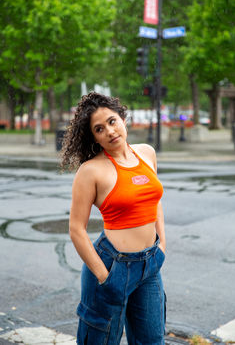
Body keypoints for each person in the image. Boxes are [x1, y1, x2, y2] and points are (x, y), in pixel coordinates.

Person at [61, 92, 166, 345]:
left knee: (152, 341)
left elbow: (154, 201)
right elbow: (76, 228)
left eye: (112, 121)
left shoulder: (146, 153)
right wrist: (102, 275)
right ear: (94, 137)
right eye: (99, 129)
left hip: (150, 264)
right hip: (112, 266)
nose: (109, 131)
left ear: (122, 118)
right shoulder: (91, 171)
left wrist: (161, 244)